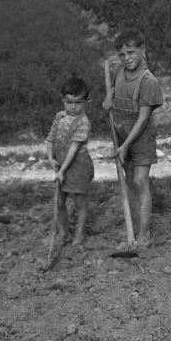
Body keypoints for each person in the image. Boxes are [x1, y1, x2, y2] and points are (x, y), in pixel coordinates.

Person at [102, 29, 164, 249]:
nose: (126, 58)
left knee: (140, 181)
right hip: (121, 132)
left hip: (141, 136)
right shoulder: (120, 71)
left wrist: (126, 146)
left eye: (131, 52)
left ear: (142, 50)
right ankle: (133, 233)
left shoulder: (148, 81)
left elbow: (143, 118)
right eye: (122, 54)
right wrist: (108, 99)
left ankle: (145, 236)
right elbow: (115, 91)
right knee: (129, 183)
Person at [46, 76, 95, 246]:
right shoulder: (59, 117)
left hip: (78, 166)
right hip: (61, 165)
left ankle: (79, 235)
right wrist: (51, 158)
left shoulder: (83, 122)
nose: (73, 107)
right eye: (69, 102)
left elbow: (74, 149)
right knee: (59, 200)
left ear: (85, 102)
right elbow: (51, 138)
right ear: (63, 100)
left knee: (80, 201)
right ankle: (64, 232)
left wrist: (62, 171)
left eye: (78, 103)